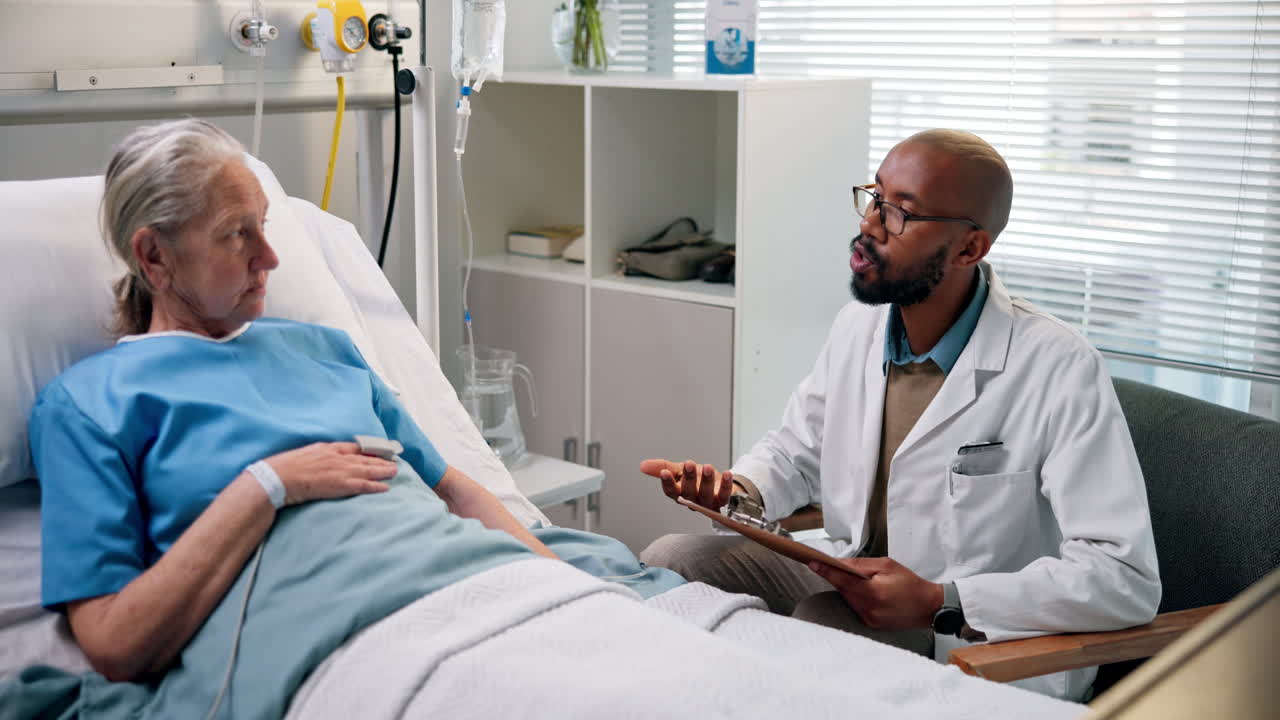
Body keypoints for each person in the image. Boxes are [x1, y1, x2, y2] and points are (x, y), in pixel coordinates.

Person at [30, 119, 562, 684]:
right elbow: (113, 643)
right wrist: (266, 487)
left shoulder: (325, 350)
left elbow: (451, 489)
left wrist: (559, 584)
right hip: (348, 640)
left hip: (480, 585)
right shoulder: (90, 404)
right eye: (237, 235)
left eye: (262, 226)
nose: (271, 258)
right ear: (154, 257)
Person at [639, 129, 1162, 701]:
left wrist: (943, 598)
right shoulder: (857, 327)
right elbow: (794, 452)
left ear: (970, 249)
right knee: (673, 559)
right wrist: (737, 492)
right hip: (849, 578)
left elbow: (1124, 577)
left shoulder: (1058, 365)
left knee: (823, 624)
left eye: (900, 214)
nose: (870, 224)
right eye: (874, 197)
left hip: (967, 633)